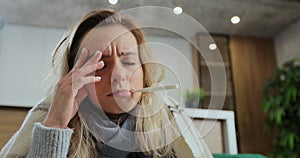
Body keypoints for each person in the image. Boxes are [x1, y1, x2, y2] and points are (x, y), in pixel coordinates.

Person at [0, 9, 212, 158]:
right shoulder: (50, 117)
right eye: (100, 65)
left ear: (144, 70)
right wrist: (55, 125)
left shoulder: (169, 123)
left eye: (129, 61)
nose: (118, 75)